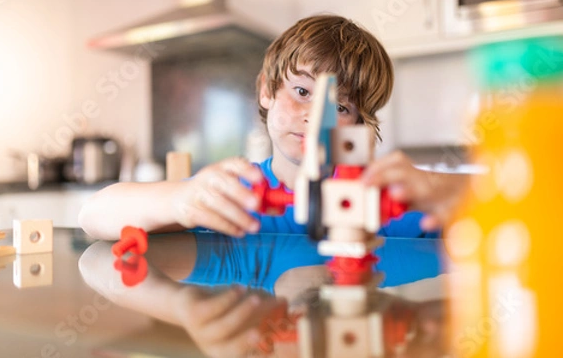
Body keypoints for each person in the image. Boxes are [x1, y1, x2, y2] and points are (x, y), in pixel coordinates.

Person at [79, 14, 467, 240]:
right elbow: (93, 214)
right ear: (266, 90)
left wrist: (436, 186)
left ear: (360, 125)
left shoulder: (395, 201)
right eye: (301, 91)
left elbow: (519, 204)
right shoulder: (235, 197)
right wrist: (180, 200)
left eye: (342, 106)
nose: (315, 118)